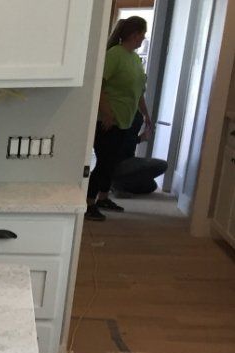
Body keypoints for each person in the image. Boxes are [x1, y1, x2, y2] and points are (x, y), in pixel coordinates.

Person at [87, 16, 154, 221]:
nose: (144, 36)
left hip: (125, 120)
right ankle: (89, 204)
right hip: (108, 121)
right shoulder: (114, 55)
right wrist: (107, 113)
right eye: (143, 33)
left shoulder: (134, 59)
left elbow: (138, 91)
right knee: (104, 162)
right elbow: (99, 85)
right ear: (134, 34)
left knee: (112, 163)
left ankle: (103, 198)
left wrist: (146, 115)